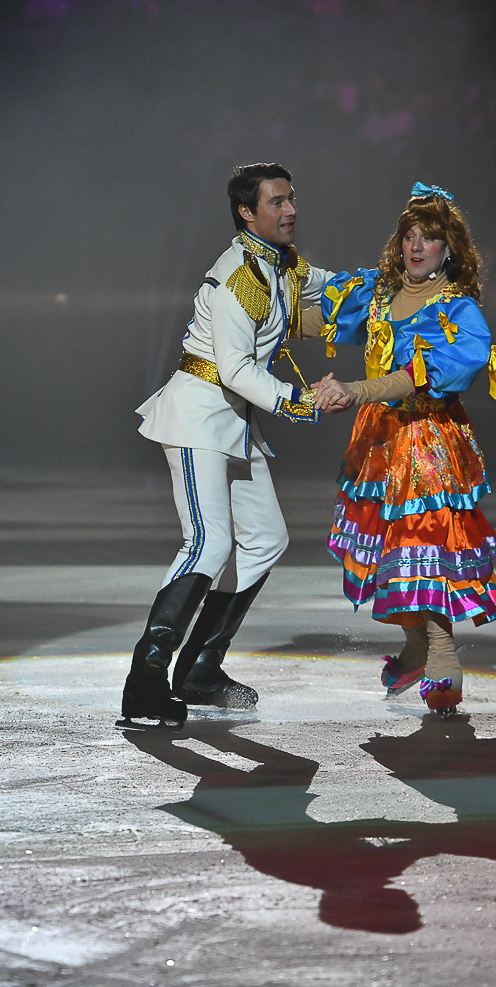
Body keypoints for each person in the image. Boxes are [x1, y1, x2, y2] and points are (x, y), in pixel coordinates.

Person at [120, 163, 335, 725]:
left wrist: (395, 282)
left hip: (233, 424)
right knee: (209, 544)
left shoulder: (281, 266)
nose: (290, 210)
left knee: (264, 539)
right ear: (247, 211)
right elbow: (237, 369)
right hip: (198, 416)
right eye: (277, 202)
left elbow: (334, 289)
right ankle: (145, 680)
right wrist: (300, 399)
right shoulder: (238, 275)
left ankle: (198, 670)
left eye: (292, 198)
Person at [312, 182, 496, 718]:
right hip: (378, 442)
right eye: (410, 236)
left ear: (450, 248)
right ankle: (416, 648)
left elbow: (424, 376)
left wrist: (357, 389)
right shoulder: (379, 293)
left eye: (430, 237)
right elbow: (324, 320)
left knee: (422, 544)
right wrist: (260, 318)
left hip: (426, 442)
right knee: (385, 550)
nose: (417, 246)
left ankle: (441, 648)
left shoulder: (458, 309)